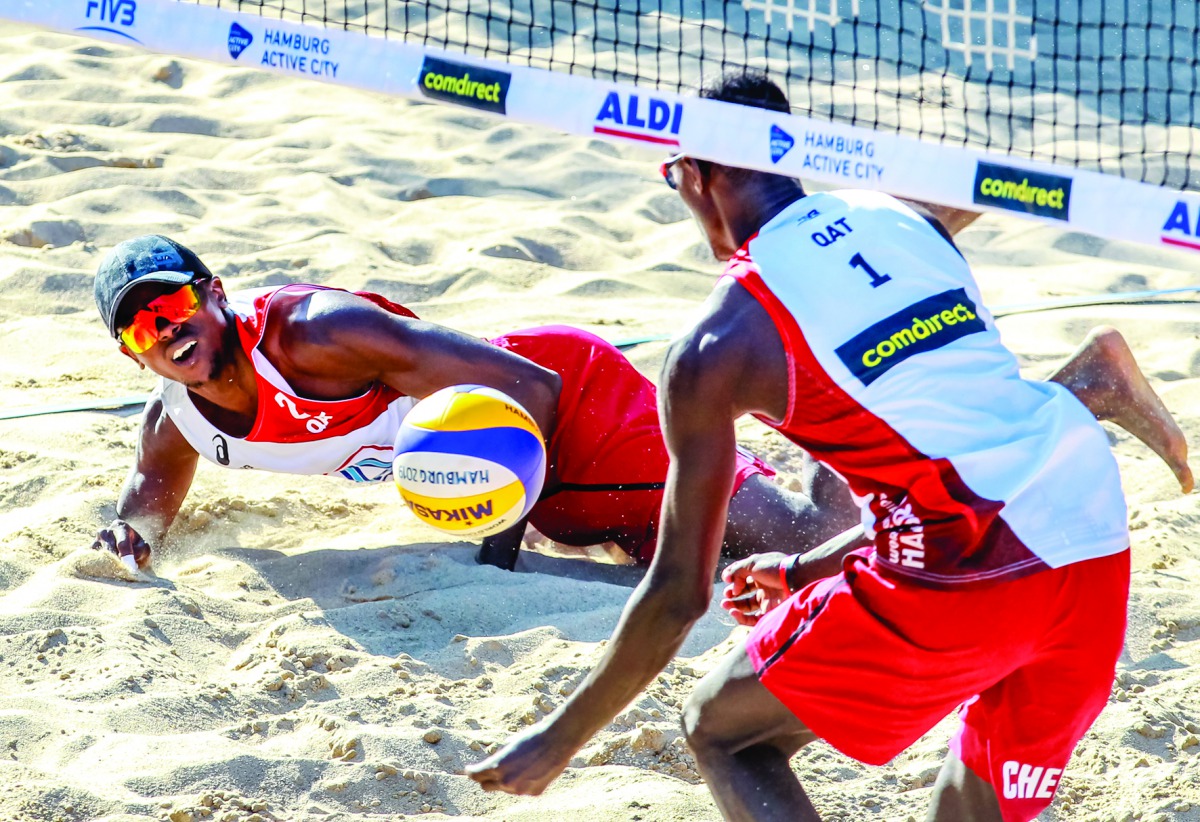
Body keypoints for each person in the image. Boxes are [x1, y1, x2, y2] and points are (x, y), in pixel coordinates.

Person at [465, 71, 1192, 822]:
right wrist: (801, 569)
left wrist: (559, 738)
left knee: (722, 728)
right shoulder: (906, 218)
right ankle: (1088, 381)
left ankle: (1090, 379)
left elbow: (679, 593)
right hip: (1091, 536)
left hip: (970, 569)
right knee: (967, 810)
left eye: (674, 176)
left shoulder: (716, 346)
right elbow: (951, 468)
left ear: (696, 175)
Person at [89, 234, 858, 571]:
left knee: (813, 540)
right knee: (709, 559)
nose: (167, 330)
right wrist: (129, 537)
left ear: (215, 294)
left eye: (174, 305)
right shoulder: (176, 422)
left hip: (569, 407)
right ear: (132, 353)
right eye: (142, 328)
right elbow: (144, 507)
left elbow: (533, 388)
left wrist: (498, 549)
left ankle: (840, 406)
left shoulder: (317, 333)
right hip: (528, 479)